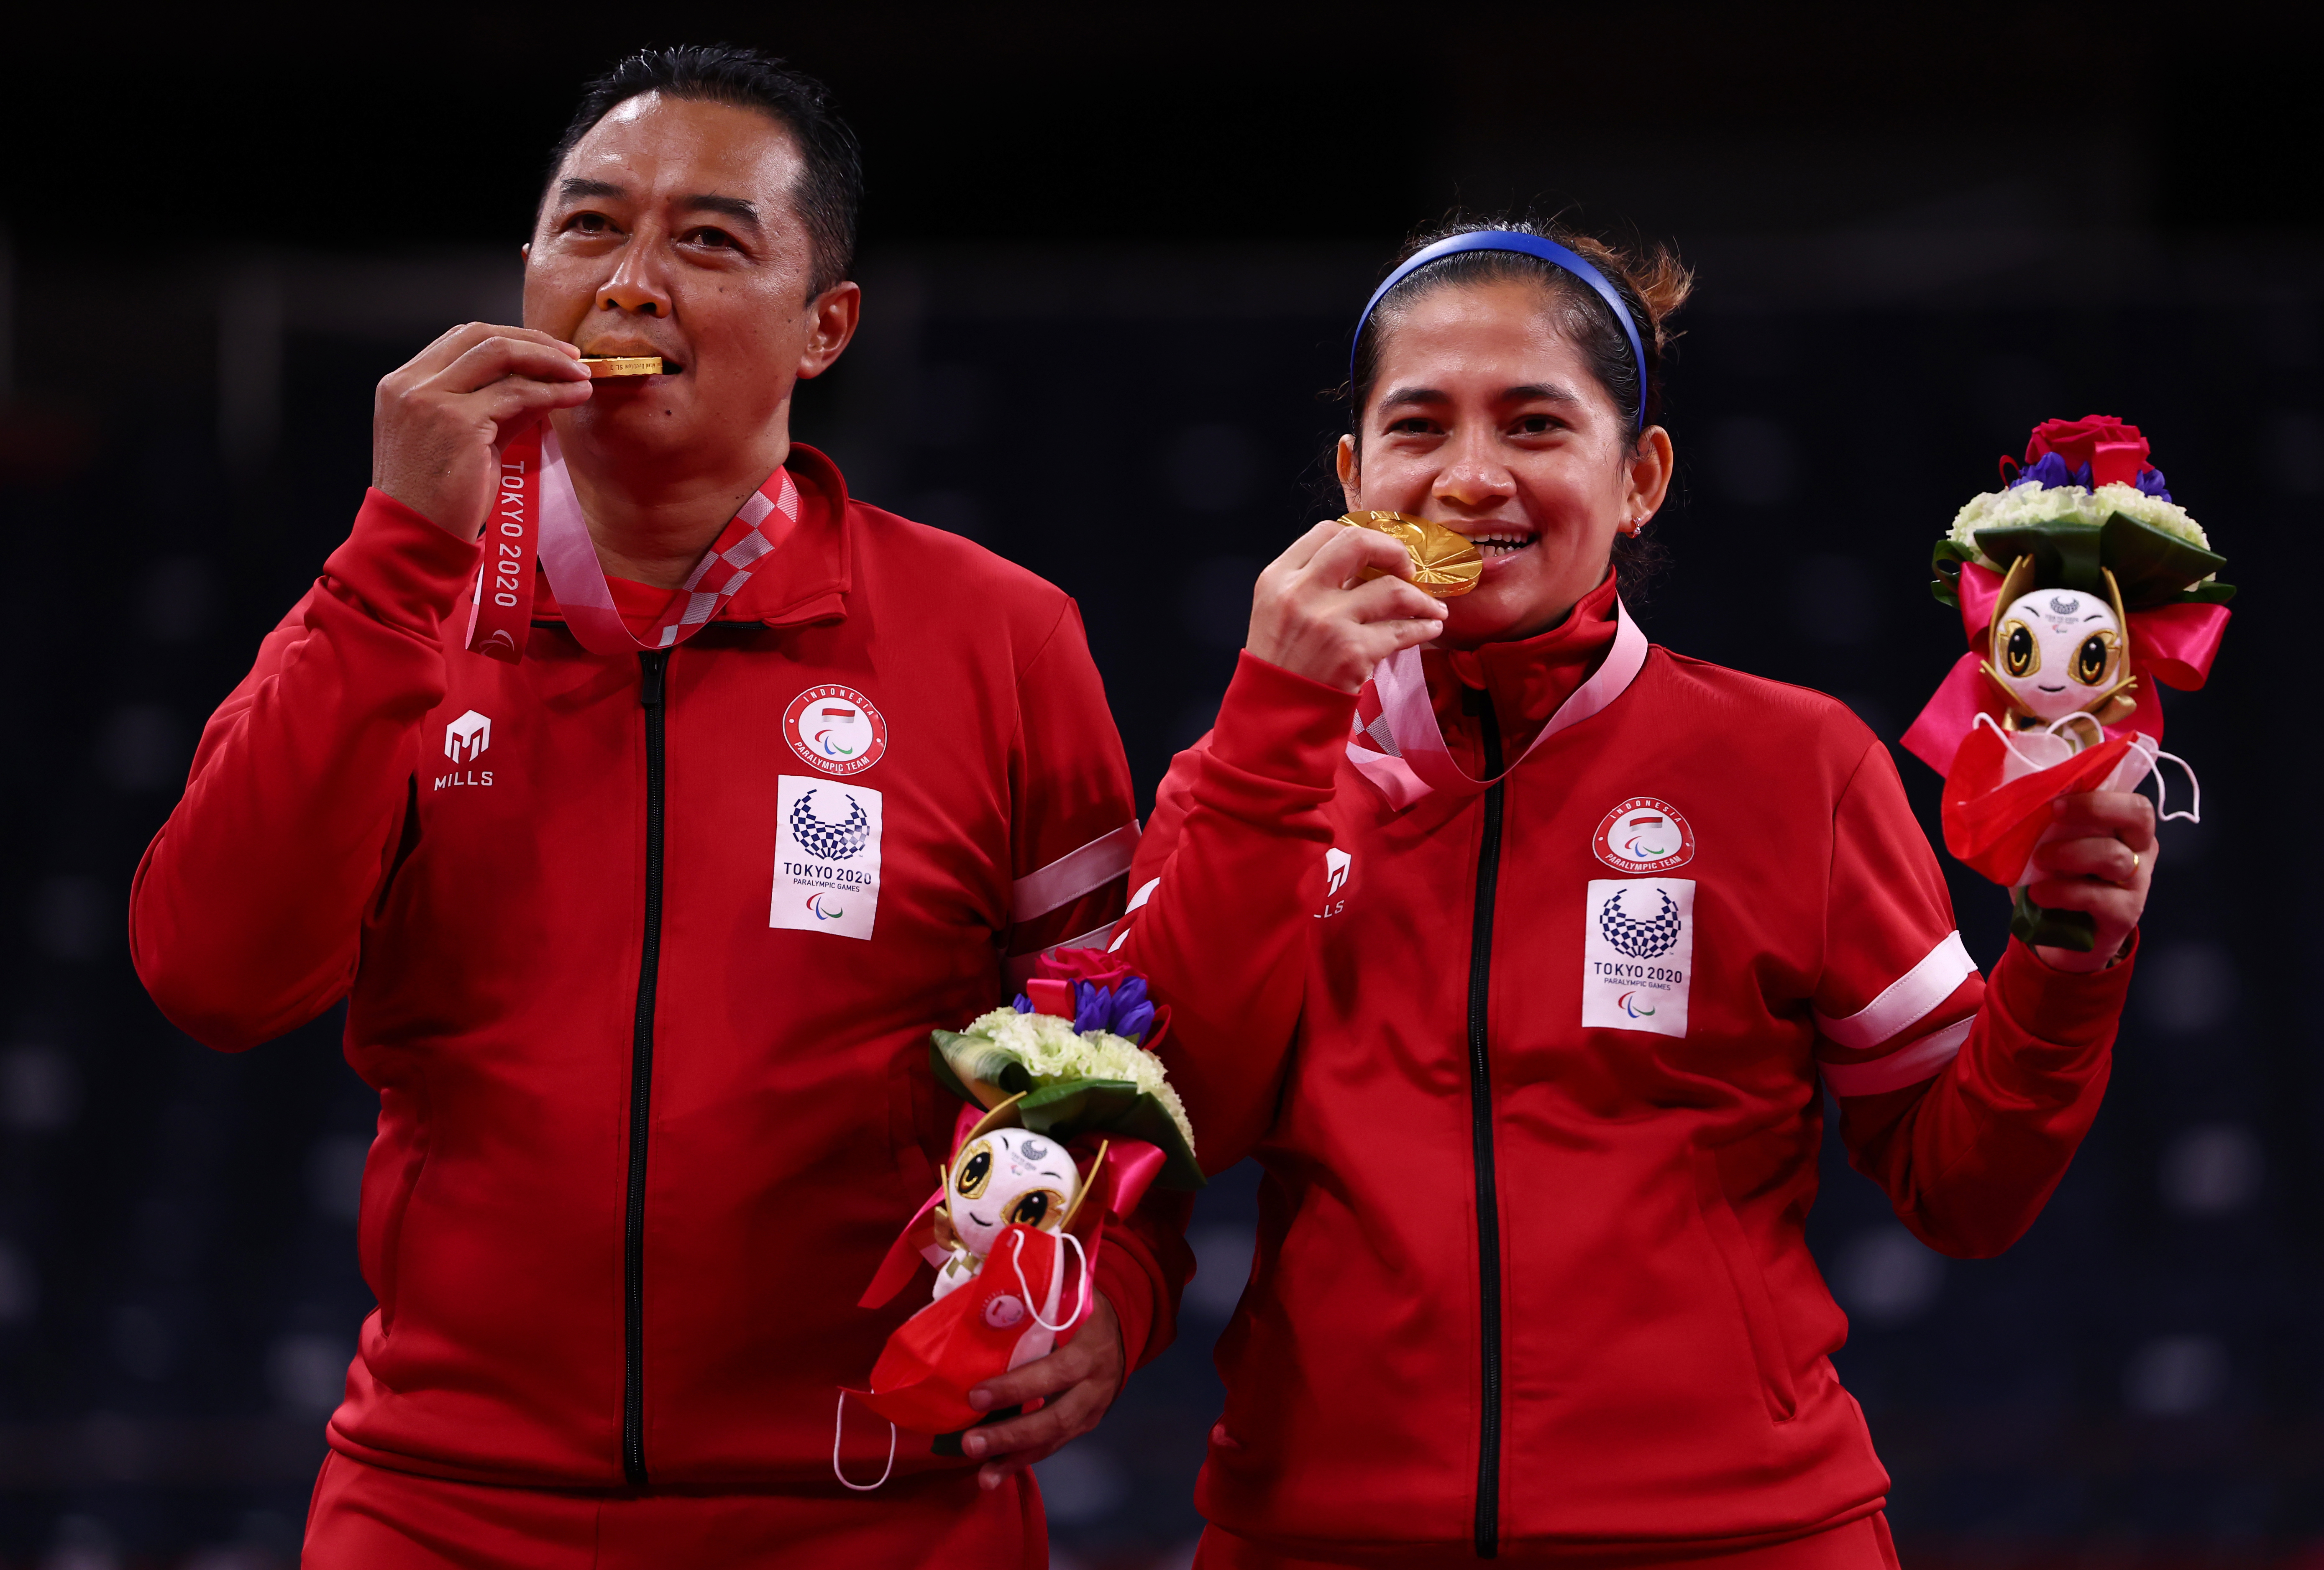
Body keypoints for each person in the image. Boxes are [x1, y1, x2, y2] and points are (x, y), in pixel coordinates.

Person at [129, 45, 1186, 1569]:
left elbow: (1110, 1037)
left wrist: (1124, 1292)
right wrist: (389, 558)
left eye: (708, 240)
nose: (628, 284)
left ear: (826, 327)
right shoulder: (389, 607)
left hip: (882, 1510)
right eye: (586, 228)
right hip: (447, 1503)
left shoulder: (999, 634)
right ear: (522, 277)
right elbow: (213, 978)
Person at [1110, 220, 2154, 1567]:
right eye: (1418, 428)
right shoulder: (1248, 773)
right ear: (1354, 475)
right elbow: (1193, 1111)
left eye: (1535, 423)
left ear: (1639, 475)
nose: (1470, 476)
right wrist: (1271, 726)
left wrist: (2064, 956)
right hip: (1319, 1530)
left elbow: (1963, 1188)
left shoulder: (1792, 763)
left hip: (1741, 1535)